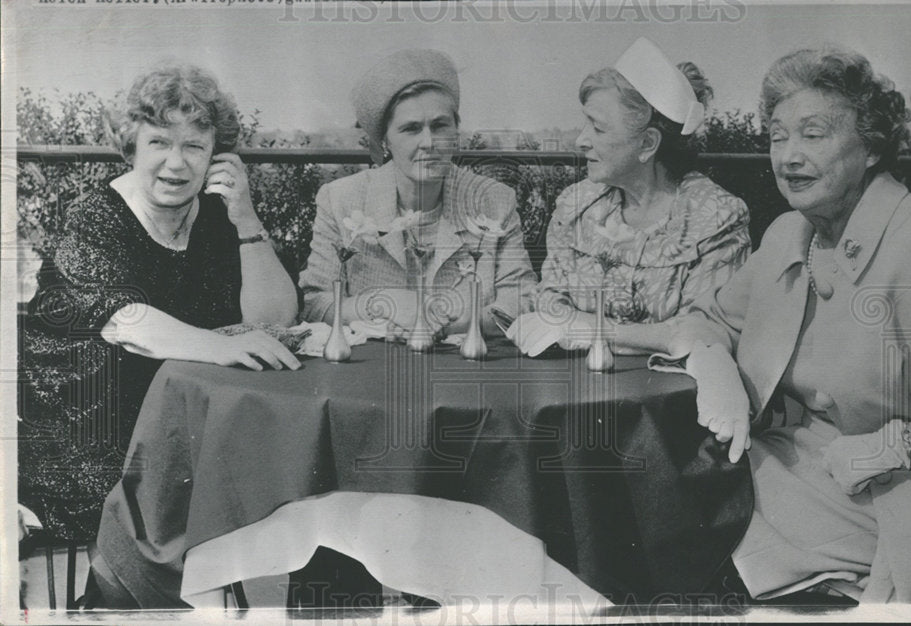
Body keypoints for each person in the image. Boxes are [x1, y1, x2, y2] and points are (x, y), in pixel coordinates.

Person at [601, 47, 911, 602]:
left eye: (813, 134)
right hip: (799, 468)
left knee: (674, 523)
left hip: (904, 492)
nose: (787, 157)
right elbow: (707, 321)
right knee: (648, 477)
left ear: (873, 145)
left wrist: (900, 441)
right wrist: (706, 358)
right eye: (777, 136)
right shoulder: (790, 234)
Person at [17, 62, 300, 603]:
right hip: (91, 428)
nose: (176, 162)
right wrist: (222, 346)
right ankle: (114, 596)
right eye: (159, 143)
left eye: (195, 146)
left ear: (216, 154)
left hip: (185, 420)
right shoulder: (94, 217)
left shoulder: (219, 219)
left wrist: (245, 219)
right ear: (132, 148)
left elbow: (275, 319)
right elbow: (128, 324)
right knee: (189, 488)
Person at [509, 37, 750, 355]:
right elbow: (549, 303)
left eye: (597, 128)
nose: (581, 140)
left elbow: (704, 335)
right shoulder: (575, 205)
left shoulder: (716, 217)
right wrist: (646, 337)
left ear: (648, 144)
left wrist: (590, 330)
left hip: (671, 396)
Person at [299, 48, 537, 341]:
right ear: (385, 140)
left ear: (456, 130)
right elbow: (316, 304)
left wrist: (440, 324)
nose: (429, 142)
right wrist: (388, 302)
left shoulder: (494, 200)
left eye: (440, 126)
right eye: (410, 129)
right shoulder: (341, 200)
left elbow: (521, 303)